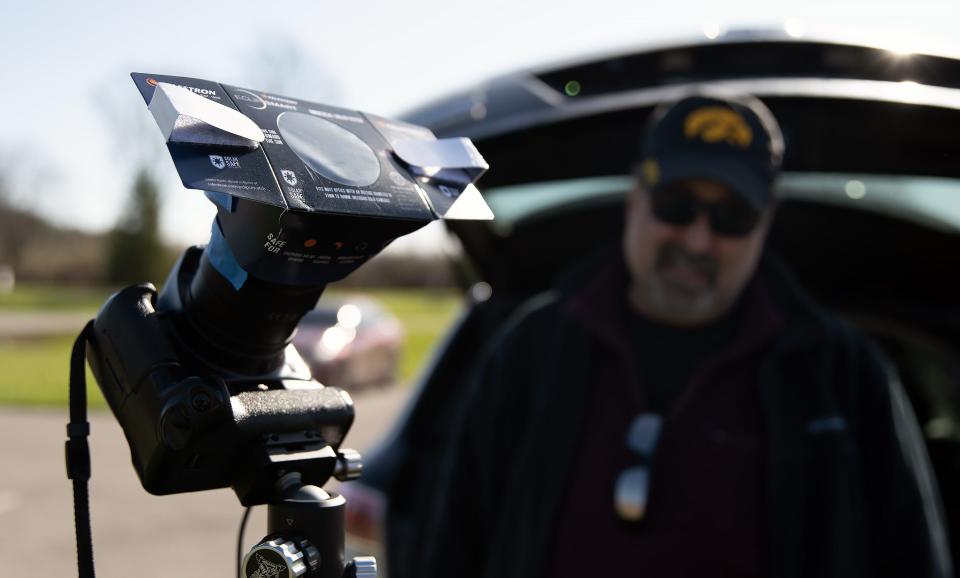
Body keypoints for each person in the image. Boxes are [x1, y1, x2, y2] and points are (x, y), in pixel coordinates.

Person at [419, 91, 952, 578]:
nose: (698, 239)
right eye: (676, 204)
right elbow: (455, 550)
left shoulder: (847, 378)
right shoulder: (529, 350)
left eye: (732, 216)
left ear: (766, 225)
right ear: (635, 198)